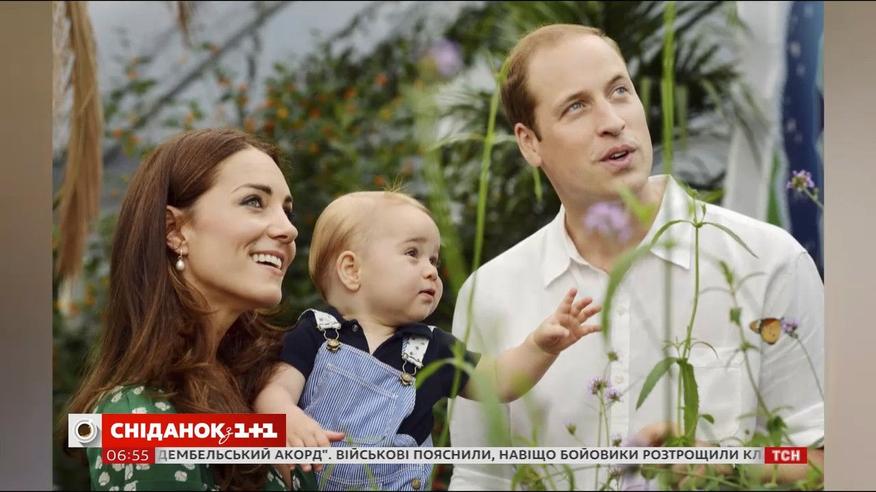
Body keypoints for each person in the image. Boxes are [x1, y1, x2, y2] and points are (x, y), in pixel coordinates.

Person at [447, 24, 824, 490]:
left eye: (619, 91)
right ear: (529, 143)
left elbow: (827, 459)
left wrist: (726, 463)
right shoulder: (489, 293)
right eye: (576, 106)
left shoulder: (768, 262)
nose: (612, 120)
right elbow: (479, 475)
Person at [253, 190, 603, 491]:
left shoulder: (433, 348)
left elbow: (499, 381)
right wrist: (285, 418)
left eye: (434, 259)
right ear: (352, 270)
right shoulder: (316, 332)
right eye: (413, 254)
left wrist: (540, 347)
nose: (431, 270)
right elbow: (274, 391)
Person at [64, 128, 329, 490]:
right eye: (254, 201)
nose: (288, 230)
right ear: (174, 230)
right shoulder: (139, 417)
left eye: (287, 212)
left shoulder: (274, 391)